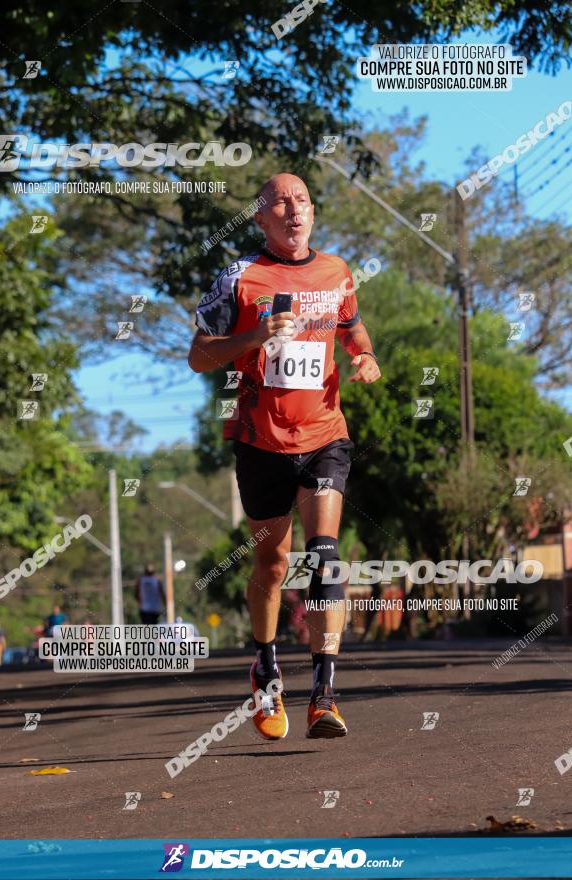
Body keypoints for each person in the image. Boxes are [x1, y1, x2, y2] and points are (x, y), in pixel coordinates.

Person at [188, 172, 381, 740]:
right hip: (260, 442)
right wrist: (252, 338)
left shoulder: (337, 272)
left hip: (325, 434)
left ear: (313, 213)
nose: (292, 210)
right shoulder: (238, 277)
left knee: (325, 555)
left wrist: (364, 356)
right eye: (280, 202)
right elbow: (199, 355)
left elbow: (352, 327)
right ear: (260, 219)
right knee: (272, 565)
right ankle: (266, 669)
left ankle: (324, 693)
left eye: (301, 201)